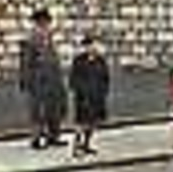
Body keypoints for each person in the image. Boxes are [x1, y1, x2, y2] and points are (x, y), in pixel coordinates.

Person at [19, 8, 67, 149]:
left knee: (55, 108)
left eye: (46, 24)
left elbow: (54, 59)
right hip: (38, 80)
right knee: (37, 111)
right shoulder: (30, 40)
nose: (45, 26)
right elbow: (26, 62)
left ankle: (53, 136)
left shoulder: (49, 39)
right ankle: (36, 139)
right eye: (42, 24)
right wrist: (26, 81)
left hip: (53, 79)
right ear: (37, 24)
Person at [69, 32, 110, 157]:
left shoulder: (100, 60)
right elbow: (73, 79)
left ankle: (86, 144)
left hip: (96, 97)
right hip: (83, 97)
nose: (91, 48)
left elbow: (105, 77)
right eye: (88, 45)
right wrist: (80, 91)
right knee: (81, 123)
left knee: (92, 123)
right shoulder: (79, 61)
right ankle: (76, 146)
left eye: (93, 45)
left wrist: (103, 92)